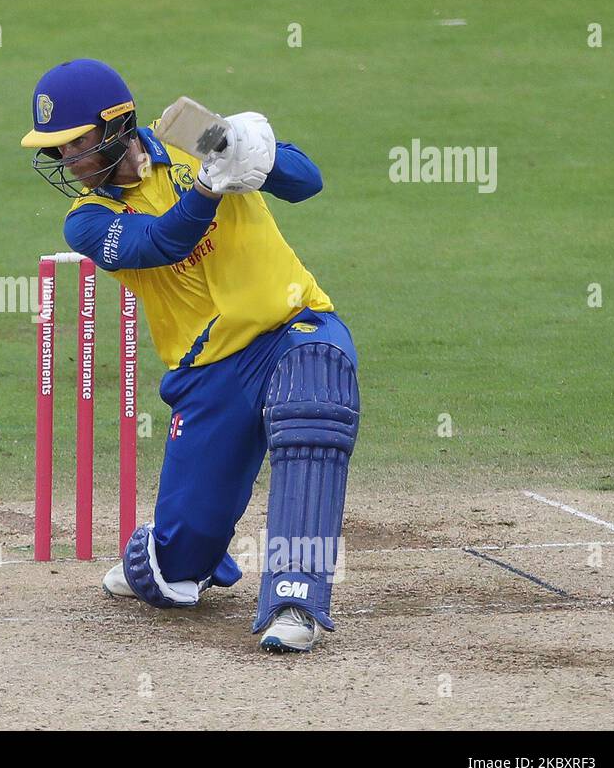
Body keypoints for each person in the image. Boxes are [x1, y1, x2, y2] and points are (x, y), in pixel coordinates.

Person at [19, 58, 360, 652]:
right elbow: (165, 239)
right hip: (208, 375)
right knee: (178, 567)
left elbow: (308, 183)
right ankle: (164, 553)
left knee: (316, 411)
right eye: (58, 153)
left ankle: (296, 600)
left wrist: (249, 150)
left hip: (293, 326)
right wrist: (210, 184)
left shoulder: (190, 136)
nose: (67, 163)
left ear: (115, 126)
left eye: (73, 146)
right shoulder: (89, 221)